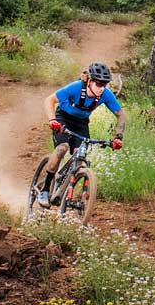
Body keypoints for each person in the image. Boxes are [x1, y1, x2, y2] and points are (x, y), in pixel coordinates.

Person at [37, 61, 126, 207]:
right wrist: (52, 120)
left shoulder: (106, 94)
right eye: (98, 84)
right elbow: (49, 100)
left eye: (104, 85)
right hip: (63, 118)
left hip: (81, 123)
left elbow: (121, 115)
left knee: (80, 155)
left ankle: (66, 191)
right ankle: (45, 189)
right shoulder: (76, 87)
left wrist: (118, 136)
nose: (101, 88)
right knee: (62, 149)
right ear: (90, 81)